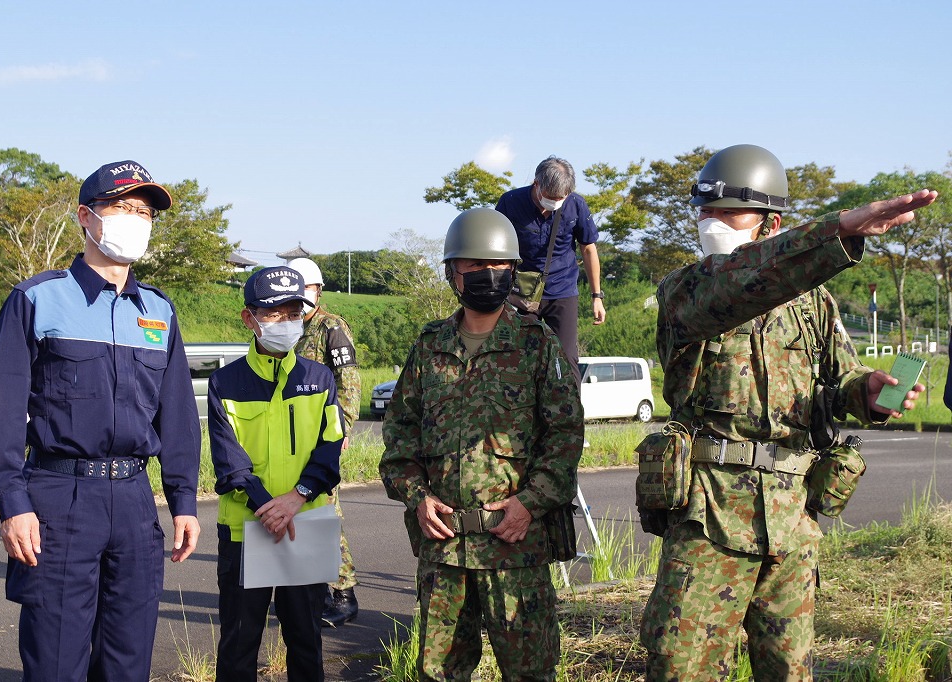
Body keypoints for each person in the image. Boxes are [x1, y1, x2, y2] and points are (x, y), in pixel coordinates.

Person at [638, 144, 937, 681]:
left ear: (771, 222)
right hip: (710, 517)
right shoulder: (689, 289)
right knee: (682, 669)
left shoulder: (813, 303)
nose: (711, 222)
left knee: (789, 671)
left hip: (792, 518)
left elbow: (836, 382)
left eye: (728, 212)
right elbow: (750, 280)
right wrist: (840, 229)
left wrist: (866, 392)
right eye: (704, 211)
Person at [0, 160, 202, 682]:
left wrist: (184, 501)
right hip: (58, 500)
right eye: (123, 208)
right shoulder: (37, 299)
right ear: (86, 216)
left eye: (145, 213)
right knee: (56, 660)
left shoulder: (158, 312)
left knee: (128, 662)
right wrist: (14, 504)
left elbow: (177, 416)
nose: (137, 220)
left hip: (132, 500)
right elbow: (4, 413)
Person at [379, 207, 585, 681]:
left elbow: (565, 435)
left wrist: (530, 503)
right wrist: (417, 497)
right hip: (444, 553)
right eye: (472, 265)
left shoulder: (536, 343)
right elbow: (399, 435)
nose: (486, 275)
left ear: (512, 270)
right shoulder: (428, 345)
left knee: (530, 674)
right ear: (453, 272)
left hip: (516, 548)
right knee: (438, 674)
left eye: (497, 266)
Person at [208, 265, 344, 682]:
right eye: (273, 313)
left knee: (306, 642)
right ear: (249, 318)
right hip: (246, 530)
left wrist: (296, 497)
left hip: (305, 524)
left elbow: (330, 445)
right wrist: (269, 504)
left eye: (293, 312)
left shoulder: (319, 378)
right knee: (238, 644)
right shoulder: (225, 382)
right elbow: (230, 462)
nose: (285, 322)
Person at [289, 256, 362, 627]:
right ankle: (315, 591)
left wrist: (342, 430)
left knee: (324, 510)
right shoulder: (289, 327)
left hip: (322, 438)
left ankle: (344, 594)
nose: (300, 296)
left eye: (306, 288)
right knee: (304, 512)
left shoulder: (330, 327)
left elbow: (348, 382)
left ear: (317, 290)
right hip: (292, 439)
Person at [495, 155, 606, 380]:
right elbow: (496, 249)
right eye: (551, 196)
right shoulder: (510, 202)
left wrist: (597, 296)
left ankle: (570, 412)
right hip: (521, 293)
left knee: (567, 358)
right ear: (537, 184)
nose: (555, 201)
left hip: (562, 290)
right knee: (520, 357)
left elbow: (588, 249)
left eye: (561, 197)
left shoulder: (576, 204)